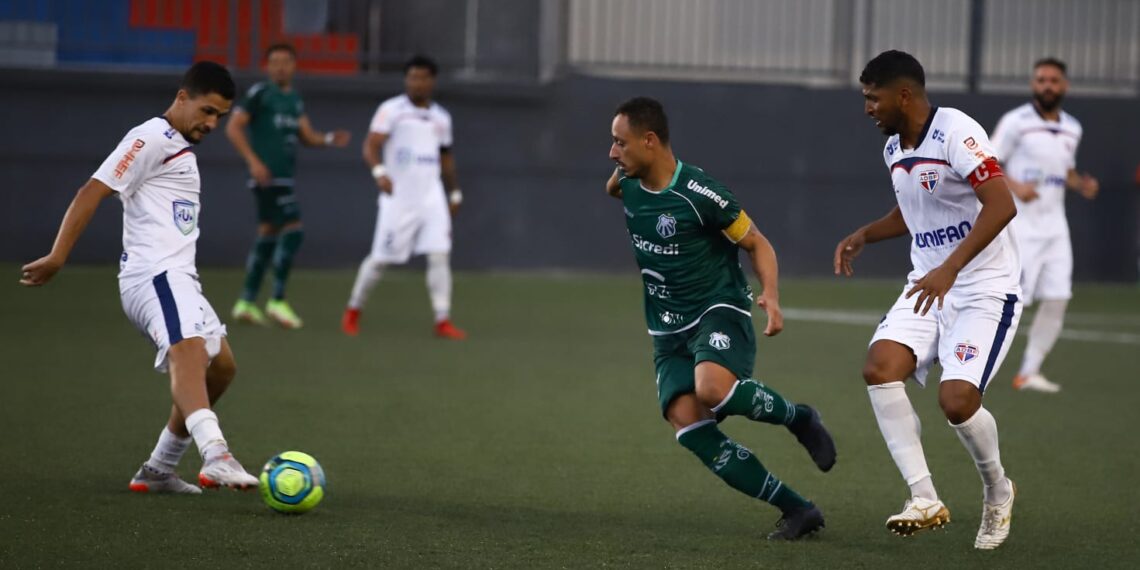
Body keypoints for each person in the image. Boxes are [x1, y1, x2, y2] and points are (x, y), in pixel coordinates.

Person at [20, 61, 260, 493]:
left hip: (181, 278)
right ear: (182, 97)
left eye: (219, 118)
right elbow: (91, 191)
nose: (211, 123)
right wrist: (58, 255)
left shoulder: (177, 145)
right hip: (154, 276)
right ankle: (217, 454)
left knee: (221, 367)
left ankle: (158, 470)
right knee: (186, 350)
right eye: (206, 111)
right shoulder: (149, 137)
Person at [606, 97, 836, 541]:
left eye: (620, 143)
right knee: (689, 425)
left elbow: (758, 244)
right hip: (666, 328)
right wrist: (619, 173)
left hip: (718, 309)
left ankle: (799, 418)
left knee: (711, 387)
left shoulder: (700, 193)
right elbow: (613, 187)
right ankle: (798, 509)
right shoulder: (628, 182)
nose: (613, 153)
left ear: (649, 141)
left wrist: (769, 294)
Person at [834, 50, 1021, 550]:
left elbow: (1002, 205)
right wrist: (866, 235)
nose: (868, 108)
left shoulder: (957, 131)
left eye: (874, 98)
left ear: (904, 95)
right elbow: (913, 209)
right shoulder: (895, 146)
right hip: (927, 284)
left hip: (983, 289)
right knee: (879, 367)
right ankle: (924, 497)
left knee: (956, 402)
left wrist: (950, 268)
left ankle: (998, 491)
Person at [990, 57, 1098, 393]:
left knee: (1058, 298)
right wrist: (1016, 186)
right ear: (1033, 84)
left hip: (1055, 228)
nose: (1047, 85)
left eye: (1053, 80)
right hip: (1021, 227)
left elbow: (1064, 171)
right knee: (1009, 300)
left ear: (1064, 86)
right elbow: (989, 162)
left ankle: (1028, 372)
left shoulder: (1072, 127)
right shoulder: (1016, 122)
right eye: (1041, 80)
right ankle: (968, 360)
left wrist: (1080, 184)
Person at [226, 43, 351, 329]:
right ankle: (277, 300)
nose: (280, 67)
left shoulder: (294, 99)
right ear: (267, 67)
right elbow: (233, 127)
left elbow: (307, 136)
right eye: (275, 62)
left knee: (268, 233)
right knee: (293, 229)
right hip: (268, 176)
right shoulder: (260, 94)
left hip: (283, 176)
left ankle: (245, 302)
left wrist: (329, 139)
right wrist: (253, 162)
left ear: (294, 66)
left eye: (285, 62)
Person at [342, 55, 466, 339]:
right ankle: (353, 309)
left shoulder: (441, 117)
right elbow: (371, 145)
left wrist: (454, 192)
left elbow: (446, 157)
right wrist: (379, 172)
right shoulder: (392, 110)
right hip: (399, 197)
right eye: (412, 77)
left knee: (439, 255)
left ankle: (442, 318)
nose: (417, 82)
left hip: (431, 196)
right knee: (381, 258)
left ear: (432, 81)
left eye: (423, 77)